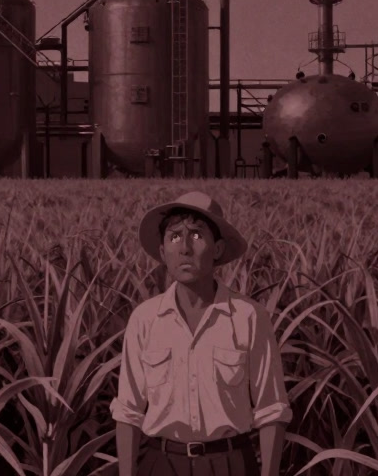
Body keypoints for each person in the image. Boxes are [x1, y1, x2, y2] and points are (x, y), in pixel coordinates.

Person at [110, 191, 292, 476]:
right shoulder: (144, 320)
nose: (184, 248)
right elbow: (128, 412)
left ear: (218, 249)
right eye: (174, 237)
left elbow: (272, 410)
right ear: (162, 253)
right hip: (161, 463)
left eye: (196, 236)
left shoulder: (249, 317)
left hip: (230, 463)